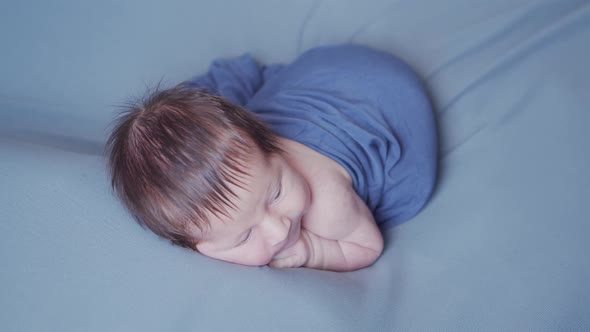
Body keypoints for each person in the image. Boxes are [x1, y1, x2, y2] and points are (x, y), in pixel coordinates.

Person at [106, 44, 438, 272]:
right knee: (227, 112)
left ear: (270, 146)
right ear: (193, 246)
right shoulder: (252, 160)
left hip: (386, 96)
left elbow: (368, 246)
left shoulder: (329, 203)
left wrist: (313, 251)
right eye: (244, 236)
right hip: (333, 70)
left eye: (276, 193)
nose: (279, 229)